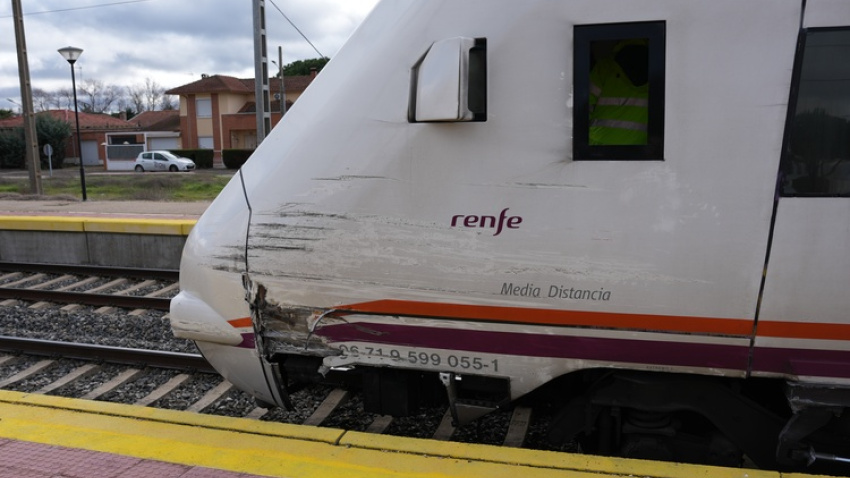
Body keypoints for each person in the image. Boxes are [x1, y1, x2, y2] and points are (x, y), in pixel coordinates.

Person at [589, 39, 650, 145]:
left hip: (598, 145)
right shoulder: (661, 69)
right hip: (638, 147)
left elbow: (583, 105)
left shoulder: (605, 67)